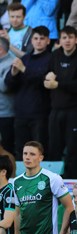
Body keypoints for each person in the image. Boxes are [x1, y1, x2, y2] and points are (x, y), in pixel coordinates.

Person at [6, 26, 52, 156]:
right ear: (31, 40)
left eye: (42, 39)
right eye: (36, 38)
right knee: (21, 151)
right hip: (21, 113)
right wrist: (14, 74)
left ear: (48, 41)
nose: (38, 41)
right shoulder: (25, 59)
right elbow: (9, 84)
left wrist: (24, 69)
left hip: (40, 113)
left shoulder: (51, 58)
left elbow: (42, 80)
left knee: (38, 150)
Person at [44, 25, 77, 172]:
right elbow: (47, 77)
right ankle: (54, 181)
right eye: (64, 38)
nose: (67, 41)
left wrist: (58, 84)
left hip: (73, 110)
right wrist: (47, 78)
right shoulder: (55, 55)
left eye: (70, 37)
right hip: (55, 108)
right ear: (60, 40)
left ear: (76, 40)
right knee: (54, 147)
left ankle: (72, 181)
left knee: (73, 148)